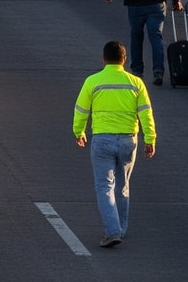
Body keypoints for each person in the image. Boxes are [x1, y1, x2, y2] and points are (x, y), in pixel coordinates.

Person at [72, 41, 157, 249]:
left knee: (104, 187)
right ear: (124, 59)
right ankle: (121, 227)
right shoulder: (135, 83)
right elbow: (146, 112)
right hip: (129, 140)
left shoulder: (93, 81)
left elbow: (81, 110)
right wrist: (150, 139)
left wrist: (79, 131)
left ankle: (112, 230)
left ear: (103, 59)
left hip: (102, 139)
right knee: (123, 185)